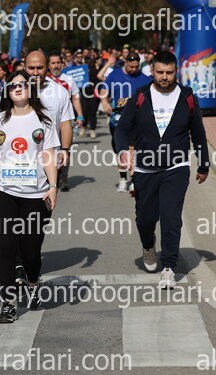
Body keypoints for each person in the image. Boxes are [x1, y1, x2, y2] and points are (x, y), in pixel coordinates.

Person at [115, 51, 210, 288]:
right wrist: (123, 150)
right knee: (145, 219)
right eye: (160, 72)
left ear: (176, 71)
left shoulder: (187, 97)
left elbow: (198, 132)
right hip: (145, 169)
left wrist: (203, 163)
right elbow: (122, 128)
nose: (164, 77)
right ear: (152, 70)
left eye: (169, 72)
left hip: (176, 166)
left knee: (171, 217)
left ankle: (168, 266)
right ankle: (148, 245)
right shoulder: (140, 96)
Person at [0, 71, 59, 322]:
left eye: (22, 85)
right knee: (6, 247)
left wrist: (53, 186)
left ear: (30, 89)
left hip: (36, 194)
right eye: (13, 85)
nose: (18, 88)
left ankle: (33, 283)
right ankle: (8, 302)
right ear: (7, 90)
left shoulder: (44, 119)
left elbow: (48, 155)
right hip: (3, 191)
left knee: (30, 251)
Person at [99, 52, 153, 193]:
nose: (134, 69)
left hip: (136, 122)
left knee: (133, 150)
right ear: (126, 63)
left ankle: (134, 179)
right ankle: (123, 179)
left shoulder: (144, 78)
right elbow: (104, 89)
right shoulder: (115, 75)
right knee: (120, 150)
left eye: (136, 67)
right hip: (117, 120)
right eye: (131, 67)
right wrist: (104, 102)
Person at [25, 51, 74, 194]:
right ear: (24, 67)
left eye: (40, 68)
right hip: (19, 158)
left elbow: (65, 124)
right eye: (31, 68)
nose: (35, 73)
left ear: (47, 67)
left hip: (49, 158)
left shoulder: (60, 92)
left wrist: (65, 149)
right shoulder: (14, 91)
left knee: (46, 202)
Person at [47, 52, 84, 138]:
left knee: (65, 144)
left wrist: (80, 116)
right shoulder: (44, 79)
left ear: (62, 64)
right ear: (48, 65)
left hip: (65, 116)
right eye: (53, 63)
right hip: (49, 117)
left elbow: (75, 98)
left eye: (58, 62)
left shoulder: (69, 79)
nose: (56, 65)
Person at [81, 57, 101, 139]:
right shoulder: (82, 72)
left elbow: (99, 81)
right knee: (84, 111)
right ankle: (84, 126)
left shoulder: (96, 71)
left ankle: (92, 129)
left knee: (93, 112)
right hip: (84, 93)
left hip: (93, 94)